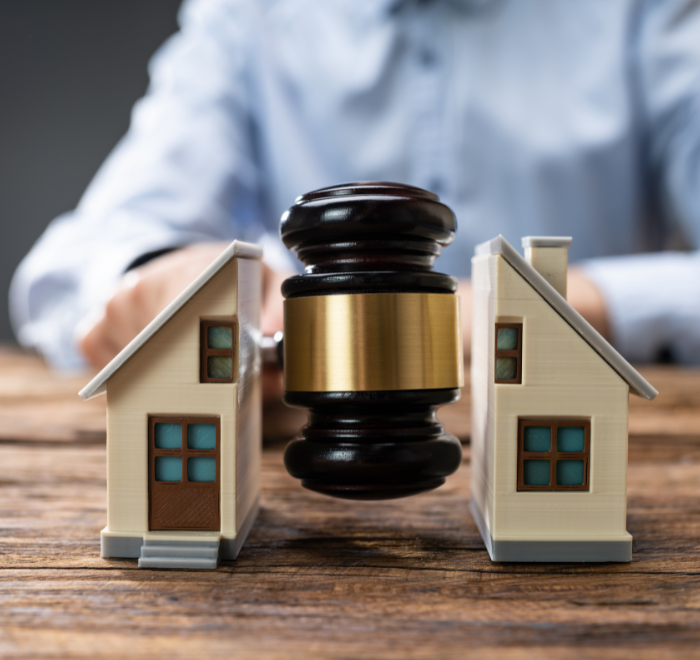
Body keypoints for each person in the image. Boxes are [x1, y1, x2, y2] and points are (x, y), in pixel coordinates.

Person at [10, 0, 700, 399]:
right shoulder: (247, 18)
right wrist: (160, 274)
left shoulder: (645, 14)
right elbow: (79, 258)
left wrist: (548, 308)